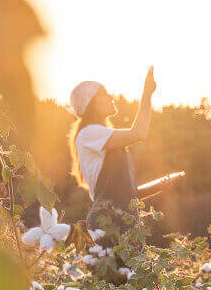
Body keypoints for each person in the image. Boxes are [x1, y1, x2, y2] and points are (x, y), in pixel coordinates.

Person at [66, 67, 157, 226]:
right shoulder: (89, 133)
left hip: (121, 221)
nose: (111, 97)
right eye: (105, 94)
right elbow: (138, 133)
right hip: (108, 222)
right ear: (91, 102)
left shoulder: (103, 138)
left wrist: (157, 187)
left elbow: (124, 196)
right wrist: (147, 94)